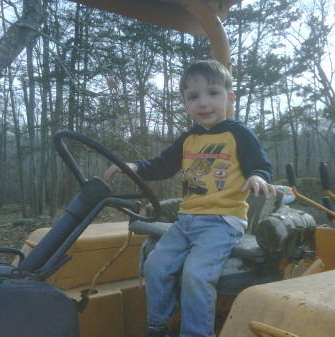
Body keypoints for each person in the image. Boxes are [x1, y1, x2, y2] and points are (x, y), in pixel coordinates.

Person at [104, 60, 278, 337]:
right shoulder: (189, 139)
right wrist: (136, 166)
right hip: (186, 221)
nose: (204, 103)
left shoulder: (238, 134)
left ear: (229, 98)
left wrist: (257, 177)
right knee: (156, 264)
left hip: (222, 222)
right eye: (193, 97)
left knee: (196, 274)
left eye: (212, 93)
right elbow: (162, 164)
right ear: (185, 105)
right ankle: (158, 324)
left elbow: (260, 165)